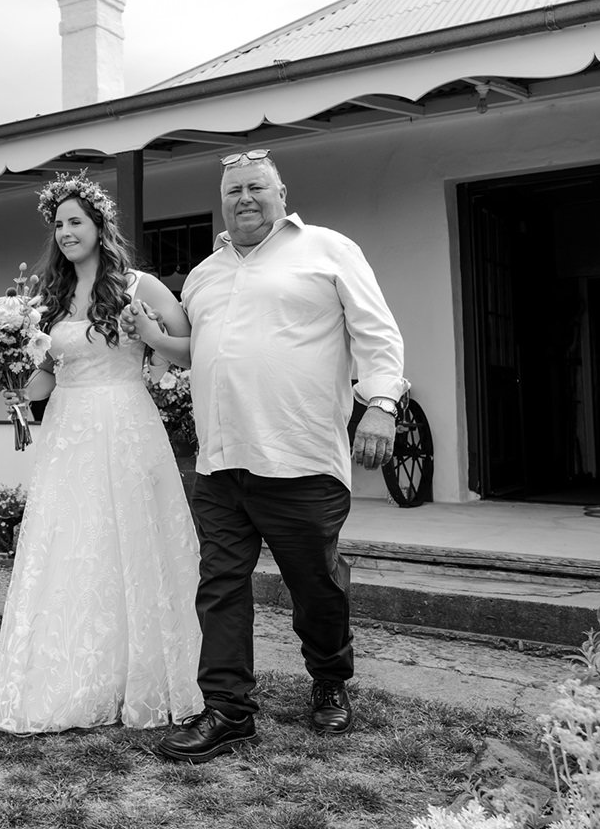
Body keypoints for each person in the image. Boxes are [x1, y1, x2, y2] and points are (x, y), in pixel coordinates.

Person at [128, 148, 405, 763]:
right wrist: (151, 337)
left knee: (316, 587)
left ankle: (330, 678)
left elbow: (377, 332)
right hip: (222, 461)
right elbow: (199, 352)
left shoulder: (328, 249)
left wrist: (381, 404)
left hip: (300, 455)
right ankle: (228, 710)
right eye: (233, 191)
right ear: (221, 202)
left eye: (257, 187)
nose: (245, 198)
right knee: (220, 586)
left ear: (282, 194)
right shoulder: (202, 274)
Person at [0, 173, 205, 735]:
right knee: (75, 542)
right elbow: (48, 375)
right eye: (57, 225)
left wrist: (150, 338)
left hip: (125, 422)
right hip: (68, 431)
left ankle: (141, 674)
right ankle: (75, 673)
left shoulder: (139, 285)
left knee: (128, 540)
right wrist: (11, 374)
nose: (64, 233)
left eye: (75, 221)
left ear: (100, 225)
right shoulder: (51, 298)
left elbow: (188, 346)